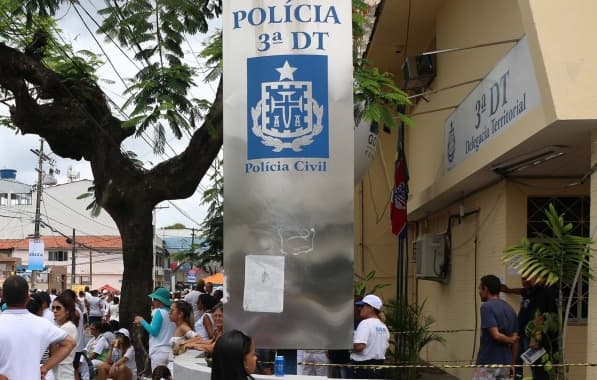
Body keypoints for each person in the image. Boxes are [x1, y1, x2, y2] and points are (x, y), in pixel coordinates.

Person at [0, 275, 76, 379]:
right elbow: (70, 343)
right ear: (27, 298)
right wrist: (45, 368)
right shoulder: (42, 324)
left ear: (2, 297)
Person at [502, 277, 557, 380]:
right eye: (523, 279)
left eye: (528, 279)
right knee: (516, 364)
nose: (525, 281)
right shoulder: (529, 291)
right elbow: (520, 291)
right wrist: (508, 290)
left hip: (531, 336)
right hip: (520, 334)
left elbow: (541, 316)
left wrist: (534, 338)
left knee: (536, 368)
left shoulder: (543, 292)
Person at [474, 275, 519, 380]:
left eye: (480, 289)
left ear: (486, 289)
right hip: (505, 364)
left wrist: (509, 340)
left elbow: (496, 335)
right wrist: (512, 364)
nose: (479, 292)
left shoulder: (486, 307)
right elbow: (516, 340)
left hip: (488, 362)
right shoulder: (510, 309)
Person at [134, 287, 176, 371]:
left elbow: (154, 331)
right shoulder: (172, 313)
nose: (153, 301)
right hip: (170, 351)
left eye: (154, 299)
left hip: (159, 351)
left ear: (159, 301)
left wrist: (142, 321)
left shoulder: (159, 312)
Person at [349, 294, 389, 379]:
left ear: (371, 308)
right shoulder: (383, 326)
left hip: (363, 368)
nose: (360, 309)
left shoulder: (365, 323)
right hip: (378, 367)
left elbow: (359, 347)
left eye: (362, 306)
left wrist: (347, 346)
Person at [52, 294, 80, 380]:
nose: (55, 311)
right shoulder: (60, 326)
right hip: (59, 369)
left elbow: (54, 351)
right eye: (53, 308)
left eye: (58, 308)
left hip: (63, 370)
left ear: (67, 311)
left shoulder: (68, 327)